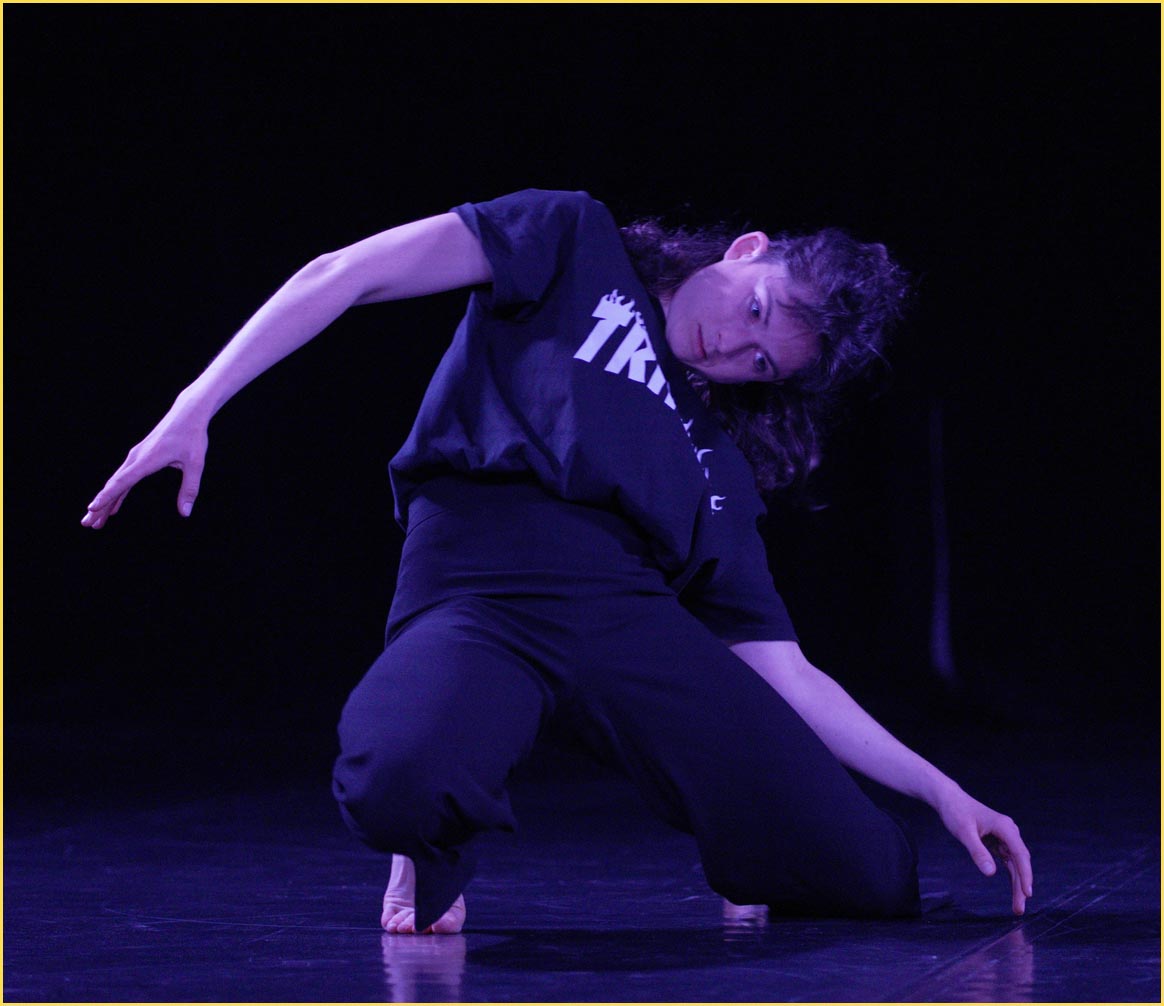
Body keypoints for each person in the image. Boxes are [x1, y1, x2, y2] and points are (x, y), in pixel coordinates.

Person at [82, 189, 1032, 936]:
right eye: (755, 309)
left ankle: (768, 853)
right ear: (747, 251)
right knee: (397, 783)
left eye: (761, 362)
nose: (732, 346)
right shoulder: (573, 241)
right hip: (479, 585)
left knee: (869, 874)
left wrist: (940, 788)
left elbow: (784, 671)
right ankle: (432, 839)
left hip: (629, 623)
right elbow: (346, 272)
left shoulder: (715, 462)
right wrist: (194, 407)